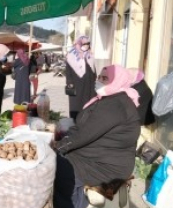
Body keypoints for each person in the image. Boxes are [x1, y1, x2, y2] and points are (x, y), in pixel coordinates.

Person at [52, 65, 141, 208]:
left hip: (106, 166)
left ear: (117, 81)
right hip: (101, 155)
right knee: (60, 159)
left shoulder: (114, 105)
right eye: (99, 77)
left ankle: (71, 203)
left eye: (105, 78)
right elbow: (84, 128)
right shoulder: (111, 98)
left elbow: (83, 135)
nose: (99, 80)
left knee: (61, 167)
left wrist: (56, 147)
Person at [65, 36, 97, 121]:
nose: (87, 45)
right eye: (84, 44)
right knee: (77, 104)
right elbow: (68, 71)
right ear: (79, 44)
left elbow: (94, 70)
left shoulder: (90, 55)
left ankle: (86, 121)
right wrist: (69, 82)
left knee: (89, 103)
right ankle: (75, 121)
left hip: (89, 84)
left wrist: (96, 81)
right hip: (76, 84)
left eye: (88, 44)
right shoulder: (71, 55)